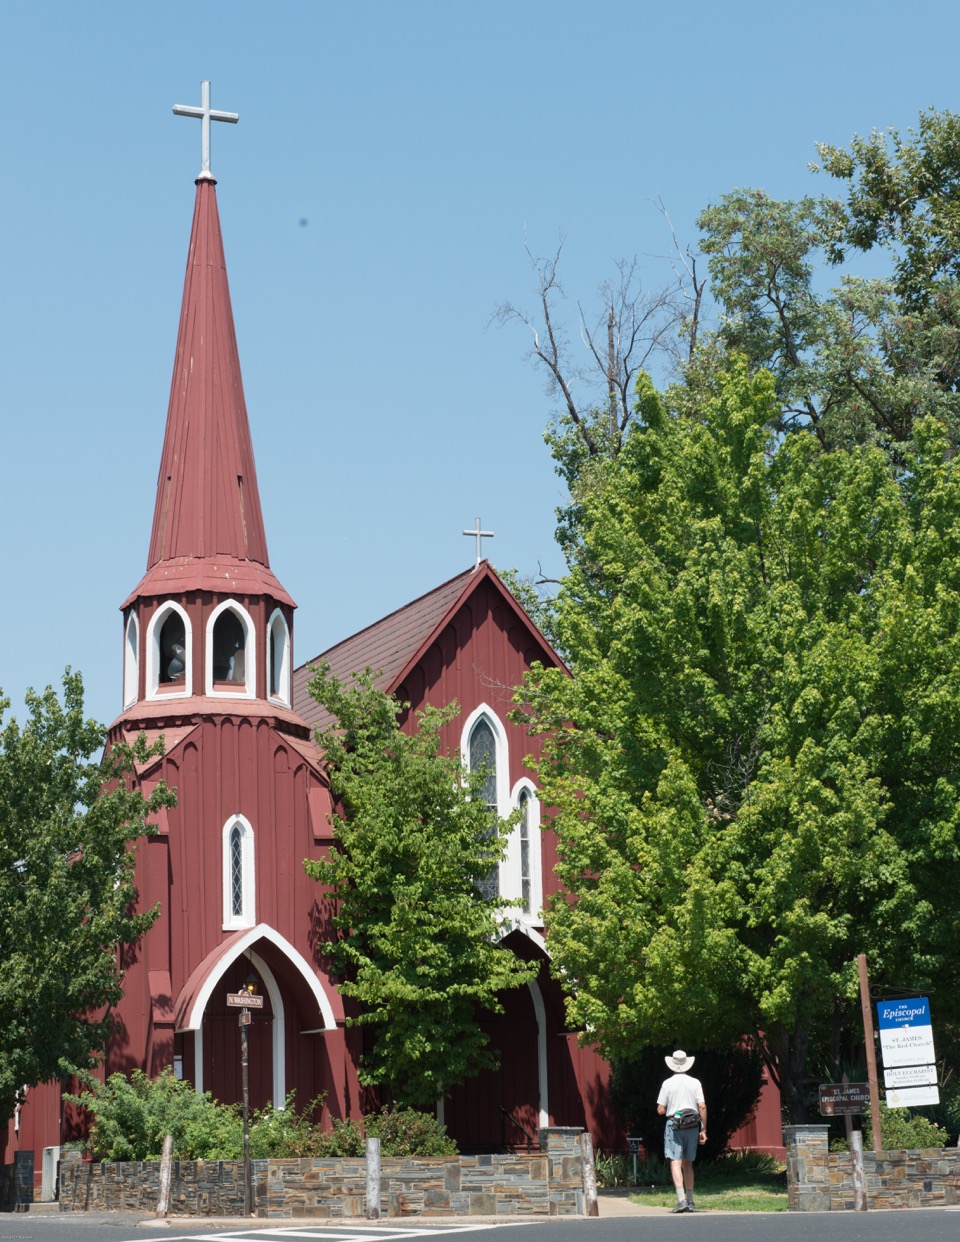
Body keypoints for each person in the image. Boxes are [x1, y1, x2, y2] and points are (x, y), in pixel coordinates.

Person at [657, 1049, 707, 1213]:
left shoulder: (667, 1083)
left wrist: (668, 1108)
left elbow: (661, 1109)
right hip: (692, 1126)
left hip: (674, 1125)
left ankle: (681, 1200)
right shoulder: (695, 1082)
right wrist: (704, 1129)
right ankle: (691, 1200)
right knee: (688, 1163)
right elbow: (702, 1106)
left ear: (672, 1064)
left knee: (675, 1162)